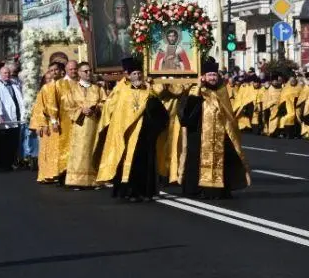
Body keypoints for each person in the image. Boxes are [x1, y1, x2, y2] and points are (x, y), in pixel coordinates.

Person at [94, 57, 170, 202]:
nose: (138, 76)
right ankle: (128, 192)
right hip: (127, 136)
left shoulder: (149, 91)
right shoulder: (122, 92)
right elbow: (111, 110)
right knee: (128, 165)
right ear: (128, 76)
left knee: (144, 164)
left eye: (139, 73)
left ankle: (145, 192)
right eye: (134, 74)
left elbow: (159, 112)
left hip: (144, 135)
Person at [179, 57, 250, 199]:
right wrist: (198, 88)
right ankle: (198, 190)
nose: (212, 78)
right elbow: (188, 111)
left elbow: (229, 114)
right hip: (200, 133)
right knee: (196, 161)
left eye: (214, 75)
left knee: (222, 162)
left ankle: (219, 190)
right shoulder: (196, 90)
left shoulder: (222, 90)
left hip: (220, 133)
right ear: (204, 76)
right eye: (210, 75)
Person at [63, 62, 106, 190]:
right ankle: (76, 181)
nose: (88, 73)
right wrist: (81, 110)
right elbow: (68, 106)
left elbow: (105, 103)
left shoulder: (97, 89)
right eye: (85, 71)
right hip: (80, 126)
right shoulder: (72, 89)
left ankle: (94, 180)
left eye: (89, 71)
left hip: (94, 125)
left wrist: (96, 108)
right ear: (80, 73)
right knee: (80, 152)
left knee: (94, 150)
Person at [0, 62, 26, 172]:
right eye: (4, 73)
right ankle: (3, 165)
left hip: (15, 118)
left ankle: (10, 163)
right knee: (3, 143)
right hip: (4, 119)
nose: (7, 75)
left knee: (13, 142)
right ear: (0, 74)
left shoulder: (13, 84)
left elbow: (19, 100)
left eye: (8, 73)